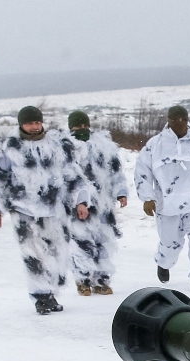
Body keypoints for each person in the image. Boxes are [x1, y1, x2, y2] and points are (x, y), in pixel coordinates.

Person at [0, 105, 90, 314]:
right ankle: (41, 296)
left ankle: (51, 291)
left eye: (37, 122)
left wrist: (81, 201)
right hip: (23, 209)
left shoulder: (57, 145)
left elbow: (73, 175)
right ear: (21, 124)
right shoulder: (8, 147)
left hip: (54, 209)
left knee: (57, 253)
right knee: (32, 255)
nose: (34, 126)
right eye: (30, 123)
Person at [134, 105, 190, 292]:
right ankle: (164, 262)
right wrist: (147, 197)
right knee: (170, 243)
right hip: (167, 204)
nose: (180, 123)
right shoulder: (156, 144)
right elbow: (142, 172)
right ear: (169, 120)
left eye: (184, 120)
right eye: (176, 120)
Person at [66, 110, 129, 296]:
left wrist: (121, 193)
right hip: (78, 205)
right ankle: (83, 279)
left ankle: (102, 279)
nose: (82, 130)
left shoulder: (104, 147)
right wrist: (77, 200)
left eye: (85, 126)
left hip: (103, 204)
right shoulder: (66, 148)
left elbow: (116, 173)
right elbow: (66, 177)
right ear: (71, 128)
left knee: (103, 242)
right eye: (78, 127)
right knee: (81, 242)